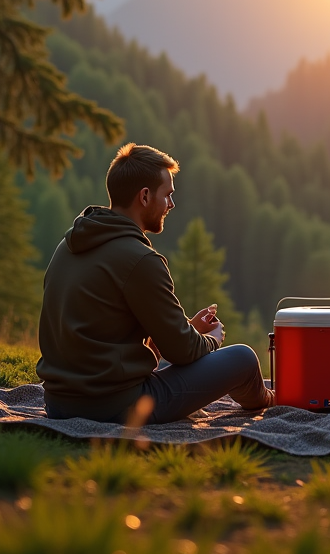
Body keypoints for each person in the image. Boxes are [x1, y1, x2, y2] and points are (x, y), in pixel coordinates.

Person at [37, 143, 274, 424]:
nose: (171, 204)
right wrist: (211, 340)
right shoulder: (140, 259)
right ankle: (274, 401)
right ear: (145, 196)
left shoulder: (68, 245)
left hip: (57, 402)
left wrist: (187, 329)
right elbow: (182, 352)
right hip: (113, 406)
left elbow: (106, 331)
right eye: (168, 195)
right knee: (243, 360)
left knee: (180, 355)